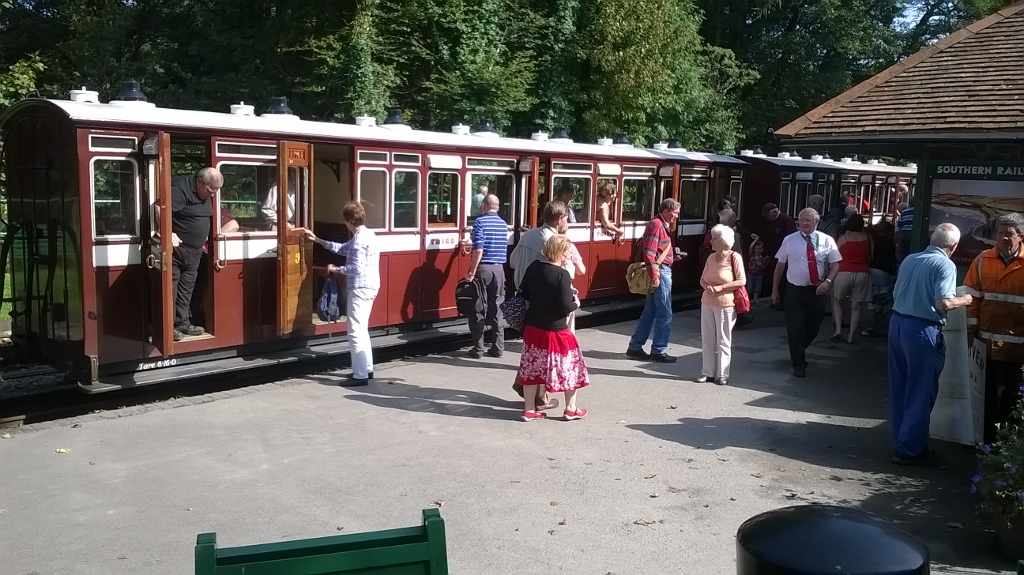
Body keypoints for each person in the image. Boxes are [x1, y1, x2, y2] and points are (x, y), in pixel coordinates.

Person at [888, 223, 972, 465]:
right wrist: (965, 299)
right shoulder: (945, 264)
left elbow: (897, 292)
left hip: (897, 323)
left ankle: (903, 439)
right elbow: (943, 302)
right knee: (921, 390)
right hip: (921, 329)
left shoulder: (910, 259)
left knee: (901, 386)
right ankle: (911, 450)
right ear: (954, 246)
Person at [305, 203, 381, 386]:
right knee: (362, 329)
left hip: (360, 288)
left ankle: (360, 375)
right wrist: (318, 240)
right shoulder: (368, 235)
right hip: (370, 286)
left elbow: (356, 268)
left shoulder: (359, 240)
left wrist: (336, 269)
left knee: (355, 332)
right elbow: (342, 249)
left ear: (348, 221)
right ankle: (367, 369)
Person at [964, 213, 1024, 444]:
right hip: (986, 344)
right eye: (1000, 233)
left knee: (1013, 393)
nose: (1003, 238)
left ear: (1020, 236)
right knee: (985, 392)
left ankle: (1008, 439)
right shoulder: (983, 260)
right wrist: (971, 328)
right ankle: (986, 438)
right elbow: (971, 297)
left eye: (1009, 234)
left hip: (1017, 348)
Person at [518, 235, 590, 421]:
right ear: (560, 252)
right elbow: (565, 306)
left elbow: (524, 293)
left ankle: (529, 409)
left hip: (533, 327)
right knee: (570, 366)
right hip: (556, 330)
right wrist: (576, 303)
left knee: (531, 368)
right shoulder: (562, 275)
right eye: (568, 253)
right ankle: (570, 409)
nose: (569, 256)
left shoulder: (534, 267)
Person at [508, 200, 570, 409]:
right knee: (546, 352)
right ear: (560, 219)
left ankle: (527, 390)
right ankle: (540, 397)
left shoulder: (529, 235)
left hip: (526, 298)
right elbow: (568, 271)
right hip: (546, 304)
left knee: (532, 350)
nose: (568, 223)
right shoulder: (554, 241)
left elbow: (513, 261)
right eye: (567, 219)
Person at [771, 208, 842, 378]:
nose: (803, 223)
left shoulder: (826, 240)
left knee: (814, 326)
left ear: (816, 222)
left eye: (807, 220)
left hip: (816, 290)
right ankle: (799, 363)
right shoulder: (789, 240)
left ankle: (799, 348)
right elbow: (780, 265)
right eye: (801, 220)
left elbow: (836, 264)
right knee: (795, 327)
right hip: (795, 290)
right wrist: (775, 289)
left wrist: (828, 281)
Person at [166, 167, 223, 342]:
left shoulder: (207, 194)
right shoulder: (180, 189)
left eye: (215, 191)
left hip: (195, 250)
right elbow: (160, 209)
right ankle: (168, 328)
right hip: (177, 249)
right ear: (199, 181)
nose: (212, 195)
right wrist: (168, 232)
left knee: (186, 288)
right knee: (171, 288)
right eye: (210, 190)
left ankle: (182, 323)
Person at [626, 198, 682, 363]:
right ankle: (658, 350)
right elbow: (649, 253)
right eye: (675, 212)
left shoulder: (659, 224)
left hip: (661, 270)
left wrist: (672, 258)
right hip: (660, 272)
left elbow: (655, 252)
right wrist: (654, 276)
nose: (677, 216)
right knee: (665, 313)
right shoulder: (657, 225)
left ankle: (635, 347)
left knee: (650, 312)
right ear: (665, 211)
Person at [698, 225, 746, 385]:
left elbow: (741, 281)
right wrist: (707, 287)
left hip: (725, 304)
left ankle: (723, 374)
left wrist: (720, 288)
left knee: (723, 340)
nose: (711, 241)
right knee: (707, 339)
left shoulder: (734, 257)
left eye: (714, 238)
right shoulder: (711, 257)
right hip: (707, 302)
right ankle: (707, 373)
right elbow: (702, 279)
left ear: (724, 241)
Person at [463, 194, 507, 358]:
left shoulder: (480, 222)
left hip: (483, 269)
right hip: (499, 269)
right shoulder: (503, 224)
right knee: (497, 308)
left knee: (478, 308)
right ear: (497, 207)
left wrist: (472, 272)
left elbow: (479, 250)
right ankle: (498, 347)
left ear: (483, 206)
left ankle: (478, 348)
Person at [830, 214, 872, 344]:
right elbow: (871, 256)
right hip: (862, 272)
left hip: (843, 272)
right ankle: (851, 336)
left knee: (838, 301)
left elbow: (834, 257)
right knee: (856, 306)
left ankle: (838, 330)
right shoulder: (868, 238)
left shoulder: (843, 238)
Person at [762, 203, 797, 310]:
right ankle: (777, 300)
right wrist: (769, 254)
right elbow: (772, 239)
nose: (767, 218)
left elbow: (789, 237)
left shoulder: (786, 220)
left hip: (785, 254)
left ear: (774, 212)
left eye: (768, 215)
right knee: (777, 276)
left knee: (783, 278)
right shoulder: (773, 222)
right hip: (776, 254)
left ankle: (783, 302)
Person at [747, 240, 767, 305]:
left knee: (757, 289)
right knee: (749, 288)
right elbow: (750, 247)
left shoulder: (762, 258)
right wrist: (756, 239)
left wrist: (760, 265)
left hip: (758, 275)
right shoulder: (751, 255)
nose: (758, 250)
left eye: (760, 249)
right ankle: (747, 300)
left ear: (762, 249)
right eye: (756, 248)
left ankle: (755, 300)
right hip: (750, 274)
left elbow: (763, 267)